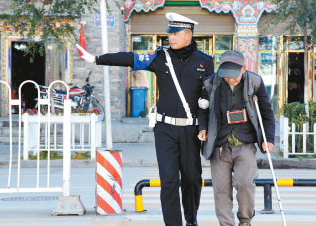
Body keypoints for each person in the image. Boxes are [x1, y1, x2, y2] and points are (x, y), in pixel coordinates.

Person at [77, 12, 214, 226]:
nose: (171, 37)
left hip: (191, 130)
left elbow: (206, 100)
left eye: (176, 33)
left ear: (189, 34)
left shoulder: (206, 62)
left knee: (192, 178)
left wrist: (205, 126)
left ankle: (191, 220)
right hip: (165, 130)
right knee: (168, 180)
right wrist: (96, 59)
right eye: (170, 33)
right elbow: (128, 57)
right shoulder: (160, 58)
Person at [199, 50, 275, 226]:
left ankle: (245, 220)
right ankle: (226, 224)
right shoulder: (211, 83)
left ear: (244, 68)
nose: (230, 80)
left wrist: (268, 139)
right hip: (220, 145)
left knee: (245, 183)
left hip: (245, 143)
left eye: (234, 76)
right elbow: (202, 110)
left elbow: (267, 113)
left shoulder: (255, 82)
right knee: (221, 190)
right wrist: (203, 128)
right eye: (226, 76)